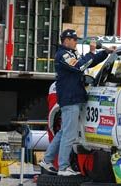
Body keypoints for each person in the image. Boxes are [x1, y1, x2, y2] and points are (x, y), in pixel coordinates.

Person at [39, 29, 114, 176]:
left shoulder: (71, 54)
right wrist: (91, 52)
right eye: (74, 40)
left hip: (73, 97)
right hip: (70, 99)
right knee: (69, 134)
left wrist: (105, 53)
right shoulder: (63, 55)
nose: (76, 42)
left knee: (63, 132)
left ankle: (47, 160)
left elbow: (87, 64)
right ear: (66, 40)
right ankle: (63, 167)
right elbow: (80, 66)